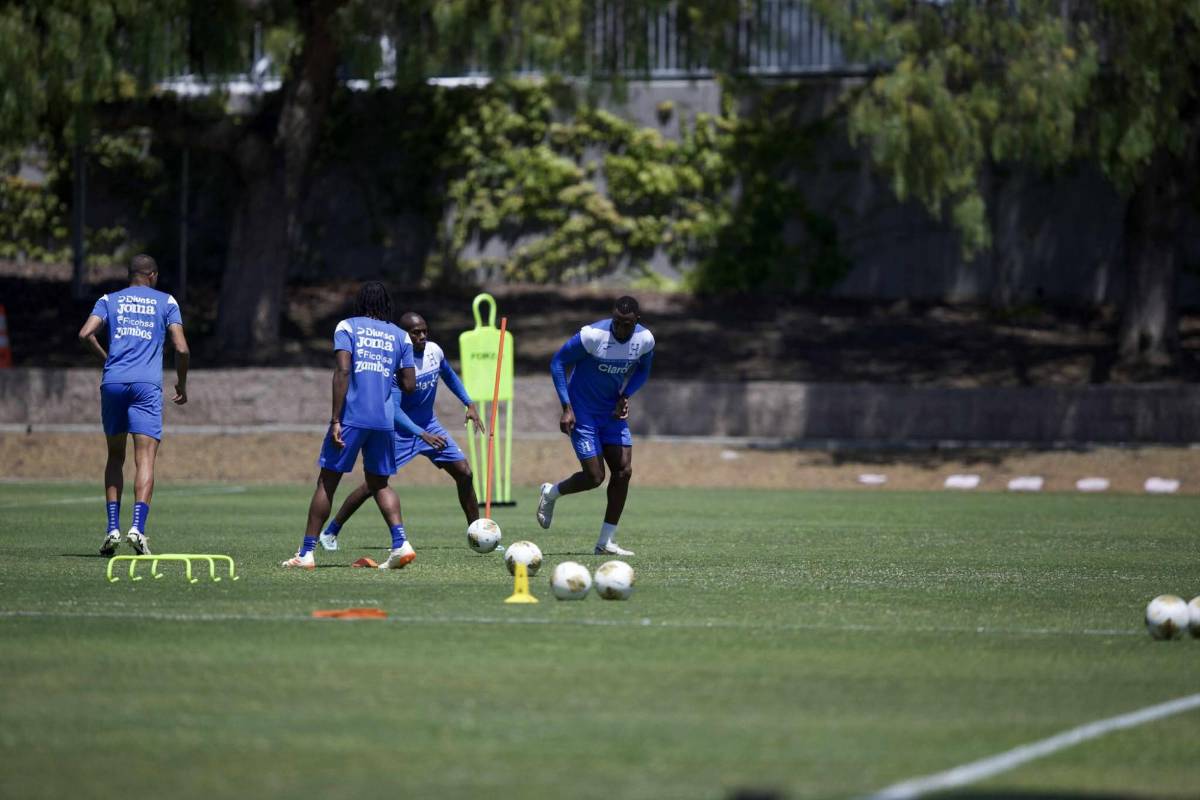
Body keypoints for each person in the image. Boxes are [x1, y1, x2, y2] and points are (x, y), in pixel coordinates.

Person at [318, 311, 486, 550]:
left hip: (430, 426)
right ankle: (331, 531)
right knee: (373, 484)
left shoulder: (434, 351)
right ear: (404, 335)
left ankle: (477, 535)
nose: (422, 336)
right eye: (416, 333)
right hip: (400, 432)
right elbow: (394, 410)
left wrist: (469, 403)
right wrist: (420, 434)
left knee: (464, 473)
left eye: (424, 331)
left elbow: (449, 375)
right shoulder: (397, 362)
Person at [281, 282, 417, 571]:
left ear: (361, 303)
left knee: (327, 482)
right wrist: (383, 375)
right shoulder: (401, 336)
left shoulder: (347, 327)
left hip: (353, 417)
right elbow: (409, 384)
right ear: (386, 305)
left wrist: (335, 419)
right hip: (383, 420)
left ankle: (306, 553)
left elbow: (343, 370)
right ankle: (401, 543)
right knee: (380, 483)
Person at [77, 254, 190, 557]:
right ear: (152, 275)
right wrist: (181, 383)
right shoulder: (166, 302)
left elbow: (85, 333)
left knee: (115, 456)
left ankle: (112, 529)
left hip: (113, 382)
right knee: (146, 458)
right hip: (146, 386)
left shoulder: (108, 299)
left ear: (130, 275)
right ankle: (137, 529)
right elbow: (181, 348)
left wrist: (107, 360)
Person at [536, 296, 654, 556]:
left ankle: (605, 543)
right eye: (616, 322)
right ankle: (551, 493)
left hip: (611, 414)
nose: (620, 328)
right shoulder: (592, 336)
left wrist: (625, 396)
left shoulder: (645, 340)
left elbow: (644, 370)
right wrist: (566, 407)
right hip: (583, 413)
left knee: (623, 472)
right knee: (595, 477)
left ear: (637, 321)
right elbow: (557, 362)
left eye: (626, 324)